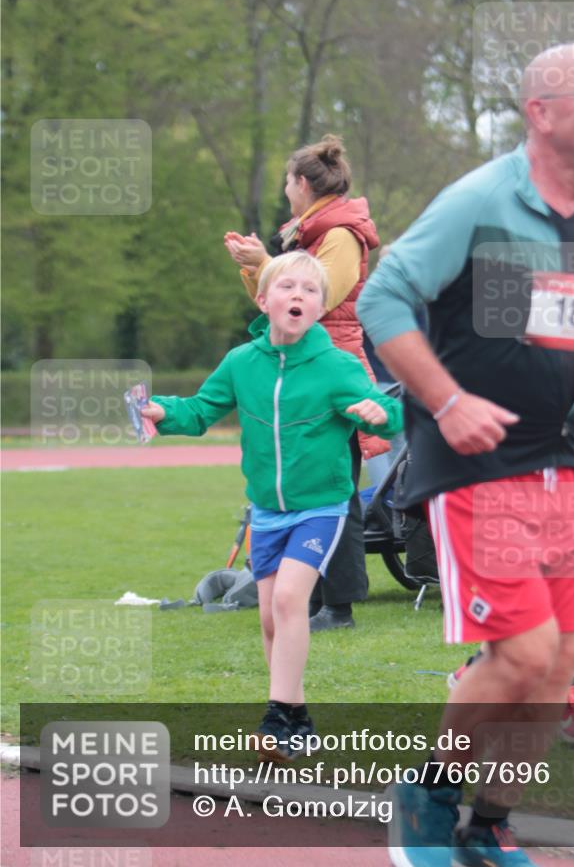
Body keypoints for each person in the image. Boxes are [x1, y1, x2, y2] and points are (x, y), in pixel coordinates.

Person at [358, 43, 574, 867]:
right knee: (522, 652)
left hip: (563, 464)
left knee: (562, 660)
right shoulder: (481, 200)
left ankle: (487, 821)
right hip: (476, 462)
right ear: (540, 112)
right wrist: (447, 400)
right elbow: (383, 298)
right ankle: (425, 795)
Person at [141, 252, 402, 757]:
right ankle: (298, 720)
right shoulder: (242, 363)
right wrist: (160, 410)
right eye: (287, 287)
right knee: (268, 619)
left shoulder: (337, 366)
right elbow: (198, 412)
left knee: (289, 601)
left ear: (322, 307)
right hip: (266, 510)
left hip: (322, 508)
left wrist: (379, 411)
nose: (298, 295)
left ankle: (275, 717)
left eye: (309, 290)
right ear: (263, 300)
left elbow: (387, 413)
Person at [224, 135, 385, 632]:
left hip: (330, 372)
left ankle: (339, 607)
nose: (284, 190)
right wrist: (256, 272)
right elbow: (279, 300)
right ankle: (315, 602)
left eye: (287, 181)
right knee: (305, 486)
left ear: (302, 183)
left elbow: (321, 295)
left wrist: (267, 266)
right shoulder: (308, 233)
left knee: (336, 489)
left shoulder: (337, 235)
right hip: (304, 370)